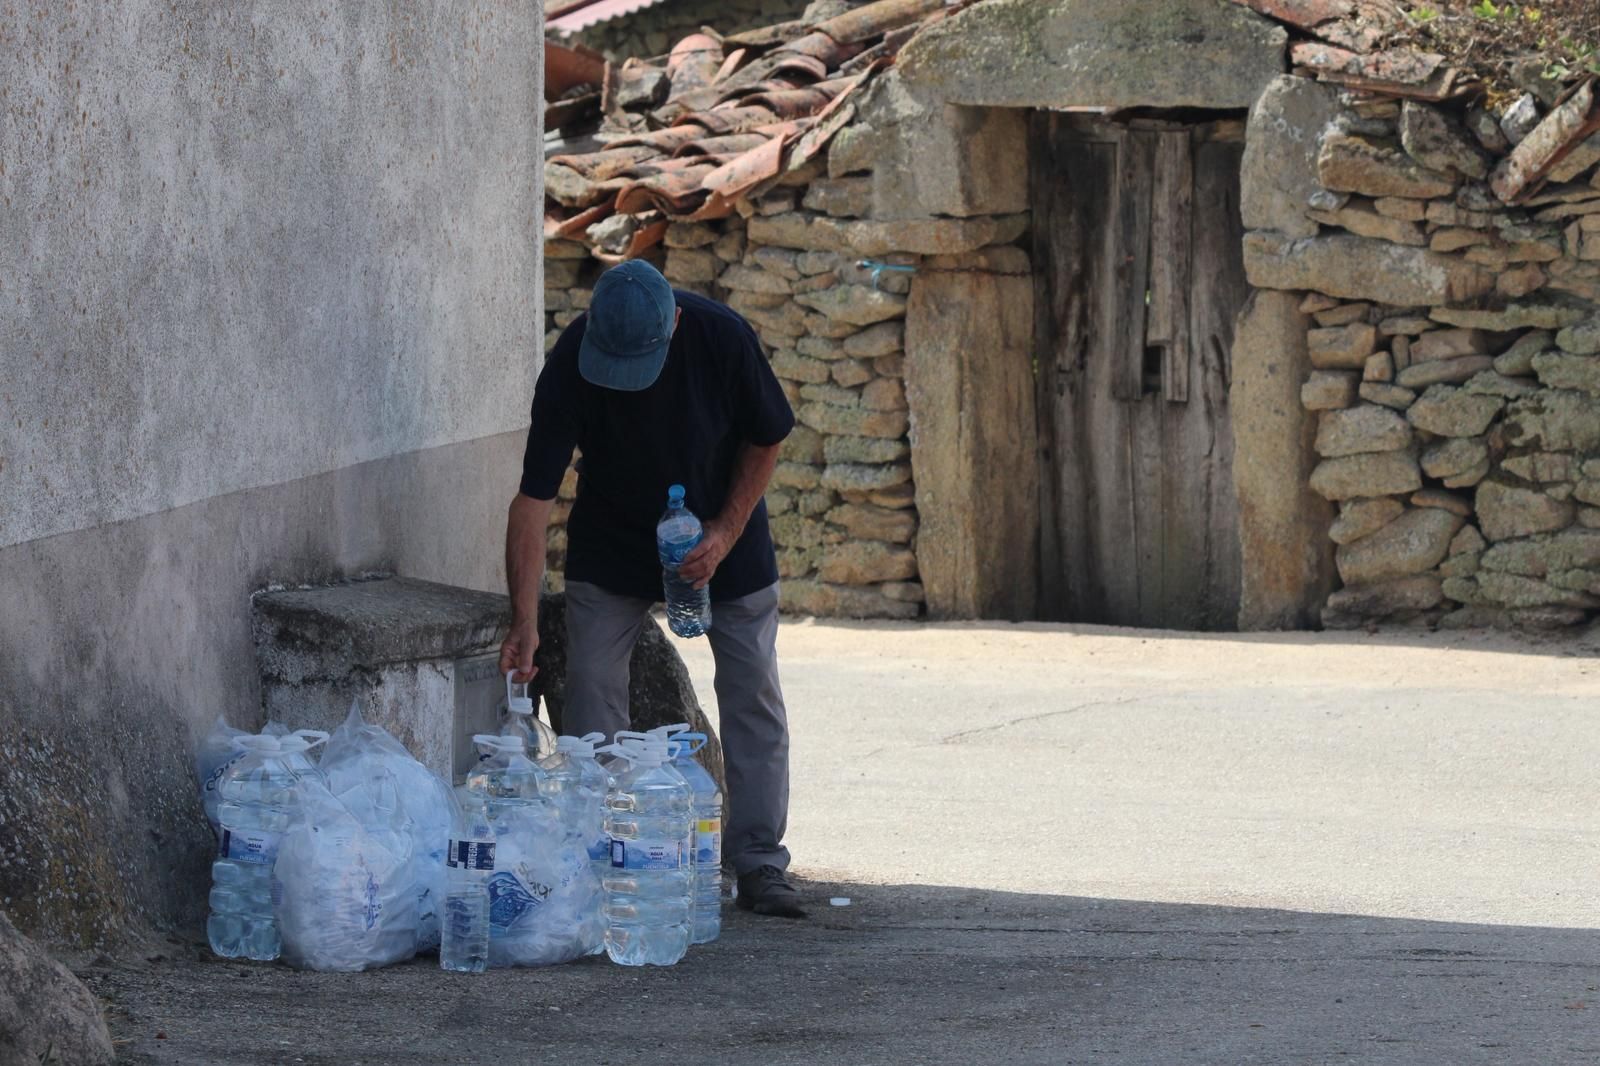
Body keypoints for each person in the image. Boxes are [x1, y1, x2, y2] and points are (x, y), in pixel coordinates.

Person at [499, 258, 805, 918]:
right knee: (590, 680)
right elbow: (533, 501)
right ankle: (602, 851)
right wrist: (522, 619)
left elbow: (767, 439)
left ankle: (757, 859)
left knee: (751, 685)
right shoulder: (574, 357)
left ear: (676, 325)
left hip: (724, 531)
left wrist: (723, 533)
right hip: (613, 535)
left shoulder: (723, 338)